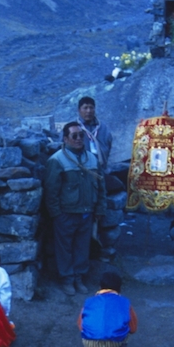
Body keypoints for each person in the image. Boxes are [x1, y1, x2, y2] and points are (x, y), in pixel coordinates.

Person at [44, 121, 106, 295]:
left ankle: (79, 278)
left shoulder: (92, 158)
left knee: (82, 247)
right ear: (65, 139)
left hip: (87, 213)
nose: (79, 139)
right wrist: (57, 215)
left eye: (81, 135)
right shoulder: (56, 160)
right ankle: (67, 279)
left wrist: (100, 209)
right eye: (74, 136)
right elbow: (51, 191)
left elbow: (101, 187)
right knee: (64, 249)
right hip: (66, 214)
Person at [78, 267, 136, 347]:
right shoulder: (125, 302)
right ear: (119, 288)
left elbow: (81, 325)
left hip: (91, 342)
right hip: (115, 342)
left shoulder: (89, 301)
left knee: (90, 331)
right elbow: (133, 328)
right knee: (126, 329)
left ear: (100, 287)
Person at [77, 96, 113, 172]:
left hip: (102, 168)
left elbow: (110, 144)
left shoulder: (103, 127)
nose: (89, 111)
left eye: (91, 107)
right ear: (79, 110)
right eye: (85, 108)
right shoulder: (74, 127)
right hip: (81, 169)